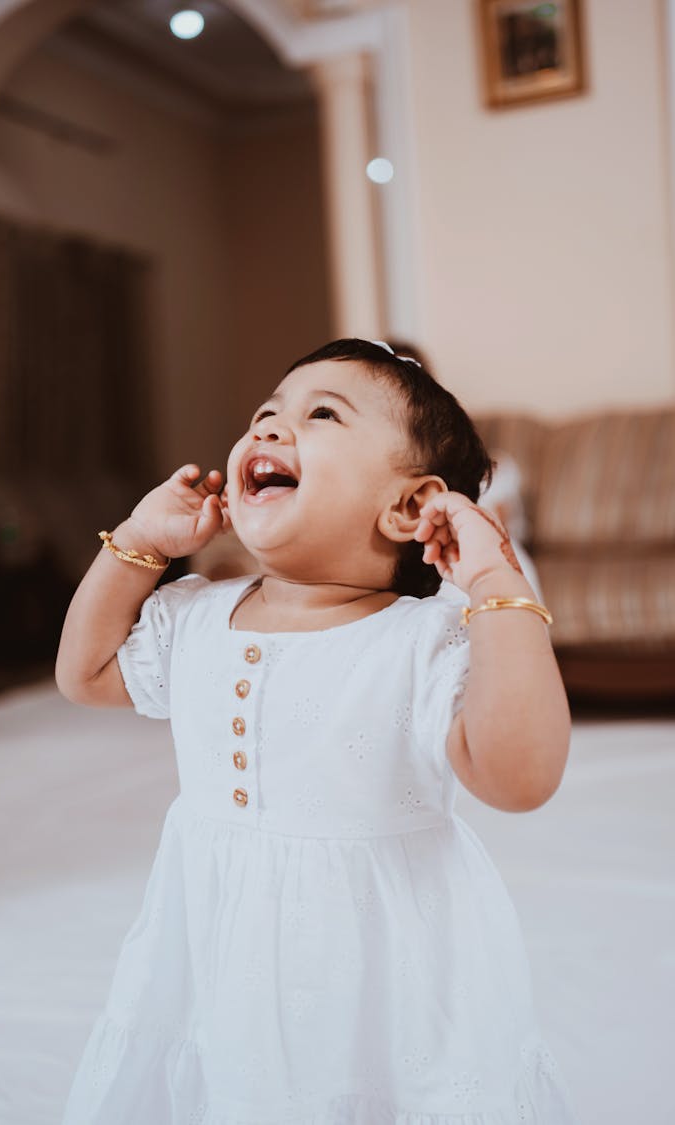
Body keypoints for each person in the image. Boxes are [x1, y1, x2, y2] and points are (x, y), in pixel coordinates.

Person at [56, 337, 578, 1123]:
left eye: (320, 414)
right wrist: (137, 543)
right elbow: (85, 674)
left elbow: (520, 775)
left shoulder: (424, 639)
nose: (267, 429)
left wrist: (496, 585)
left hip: (381, 975)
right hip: (219, 955)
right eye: (265, 414)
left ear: (410, 506)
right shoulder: (196, 614)